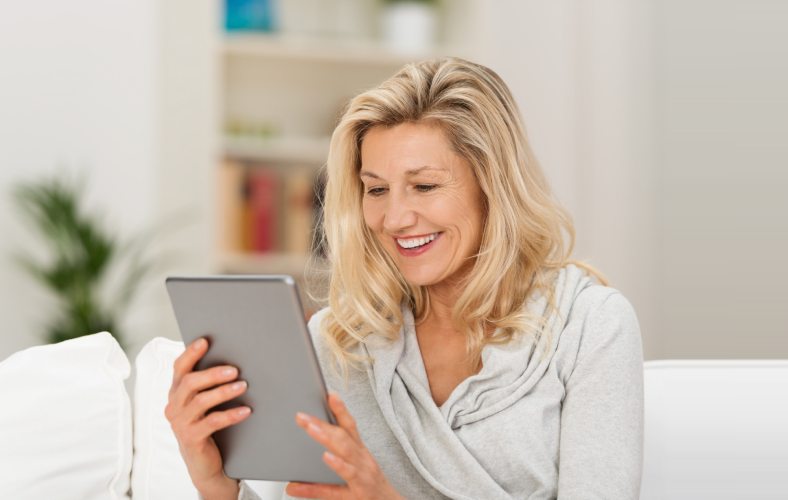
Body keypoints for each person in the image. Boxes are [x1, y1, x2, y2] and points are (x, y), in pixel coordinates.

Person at [166, 57, 645, 500]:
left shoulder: (590, 326)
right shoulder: (338, 342)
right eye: (375, 189)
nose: (394, 218)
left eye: (424, 186)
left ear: (492, 186)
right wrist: (217, 486)